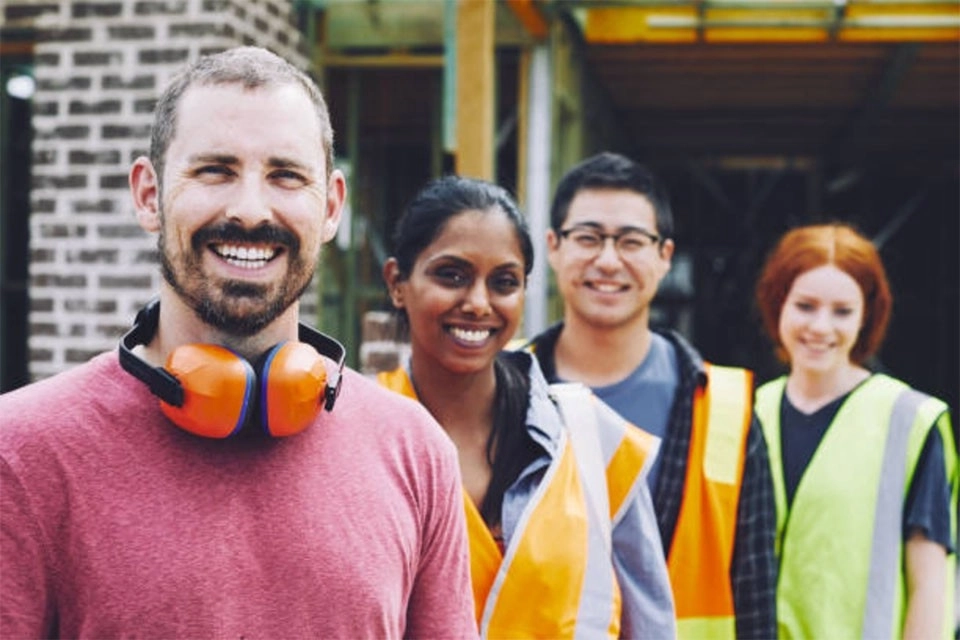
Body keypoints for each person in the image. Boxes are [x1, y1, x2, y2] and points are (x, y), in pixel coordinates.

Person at [0, 46, 477, 639]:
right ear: (149, 196)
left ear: (329, 207)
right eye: (215, 170)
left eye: (285, 175)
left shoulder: (415, 452)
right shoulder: (19, 452)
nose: (251, 210)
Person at [377, 175, 676, 639]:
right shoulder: (354, 438)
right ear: (397, 282)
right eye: (451, 275)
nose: (478, 303)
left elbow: (651, 626)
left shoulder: (591, 439)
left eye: (503, 282)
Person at [525, 152, 777, 639]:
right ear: (553, 247)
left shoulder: (727, 409)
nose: (608, 259)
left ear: (664, 257)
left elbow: (754, 597)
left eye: (631, 241)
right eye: (588, 237)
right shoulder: (500, 387)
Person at [753, 222, 958, 639]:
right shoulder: (745, 412)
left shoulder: (910, 419)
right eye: (805, 305)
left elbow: (930, 587)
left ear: (866, 318)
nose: (821, 327)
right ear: (779, 305)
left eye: (842, 311)